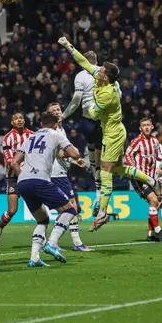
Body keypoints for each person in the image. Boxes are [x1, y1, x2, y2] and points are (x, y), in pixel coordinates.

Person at [57, 36, 162, 231]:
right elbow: (83, 61)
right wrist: (68, 46)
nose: (97, 70)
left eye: (102, 70)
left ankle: (103, 212)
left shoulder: (108, 94)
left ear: (106, 77)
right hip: (113, 131)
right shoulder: (100, 76)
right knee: (117, 167)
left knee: (106, 172)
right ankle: (151, 180)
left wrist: (87, 107)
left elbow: (93, 113)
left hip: (112, 134)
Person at [10, 111, 83, 267]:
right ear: (55, 124)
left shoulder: (30, 138)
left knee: (42, 220)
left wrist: (23, 176)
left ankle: (34, 258)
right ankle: (51, 243)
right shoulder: (56, 134)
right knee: (70, 210)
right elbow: (74, 153)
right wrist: (72, 151)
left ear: (41, 123)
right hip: (41, 180)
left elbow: (14, 162)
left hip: (23, 182)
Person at [62, 51, 104, 215]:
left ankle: (98, 190)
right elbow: (119, 94)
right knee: (101, 160)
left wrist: (64, 116)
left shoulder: (80, 75)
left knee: (93, 156)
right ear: (97, 60)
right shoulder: (104, 71)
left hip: (87, 121)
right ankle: (100, 196)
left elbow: (76, 100)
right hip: (103, 120)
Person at [47, 102, 91, 251]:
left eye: (59, 110)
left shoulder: (60, 129)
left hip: (58, 172)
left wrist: (74, 159)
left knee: (65, 209)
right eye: (53, 111)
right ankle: (76, 243)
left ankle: (52, 242)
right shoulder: (52, 131)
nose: (58, 112)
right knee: (71, 207)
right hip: (56, 174)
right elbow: (58, 152)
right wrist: (74, 156)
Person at [124, 118, 162, 242]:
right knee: (154, 200)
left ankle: (151, 234)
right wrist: (135, 170)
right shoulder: (136, 141)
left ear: (152, 126)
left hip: (152, 178)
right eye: (144, 125)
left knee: (156, 203)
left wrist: (160, 168)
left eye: (148, 125)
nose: (146, 127)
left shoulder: (155, 141)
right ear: (140, 128)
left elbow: (159, 157)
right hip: (140, 179)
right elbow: (127, 155)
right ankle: (158, 230)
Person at [0, 113, 34, 248]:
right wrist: (21, 172)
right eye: (16, 118)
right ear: (12, 122)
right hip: (14, 176)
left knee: (37, 206)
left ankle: (42, 237)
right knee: (12, 210)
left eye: (21, 118)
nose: (19, 120)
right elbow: (10, 161)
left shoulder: (33, 135)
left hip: (31, 175)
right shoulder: (7, 138)